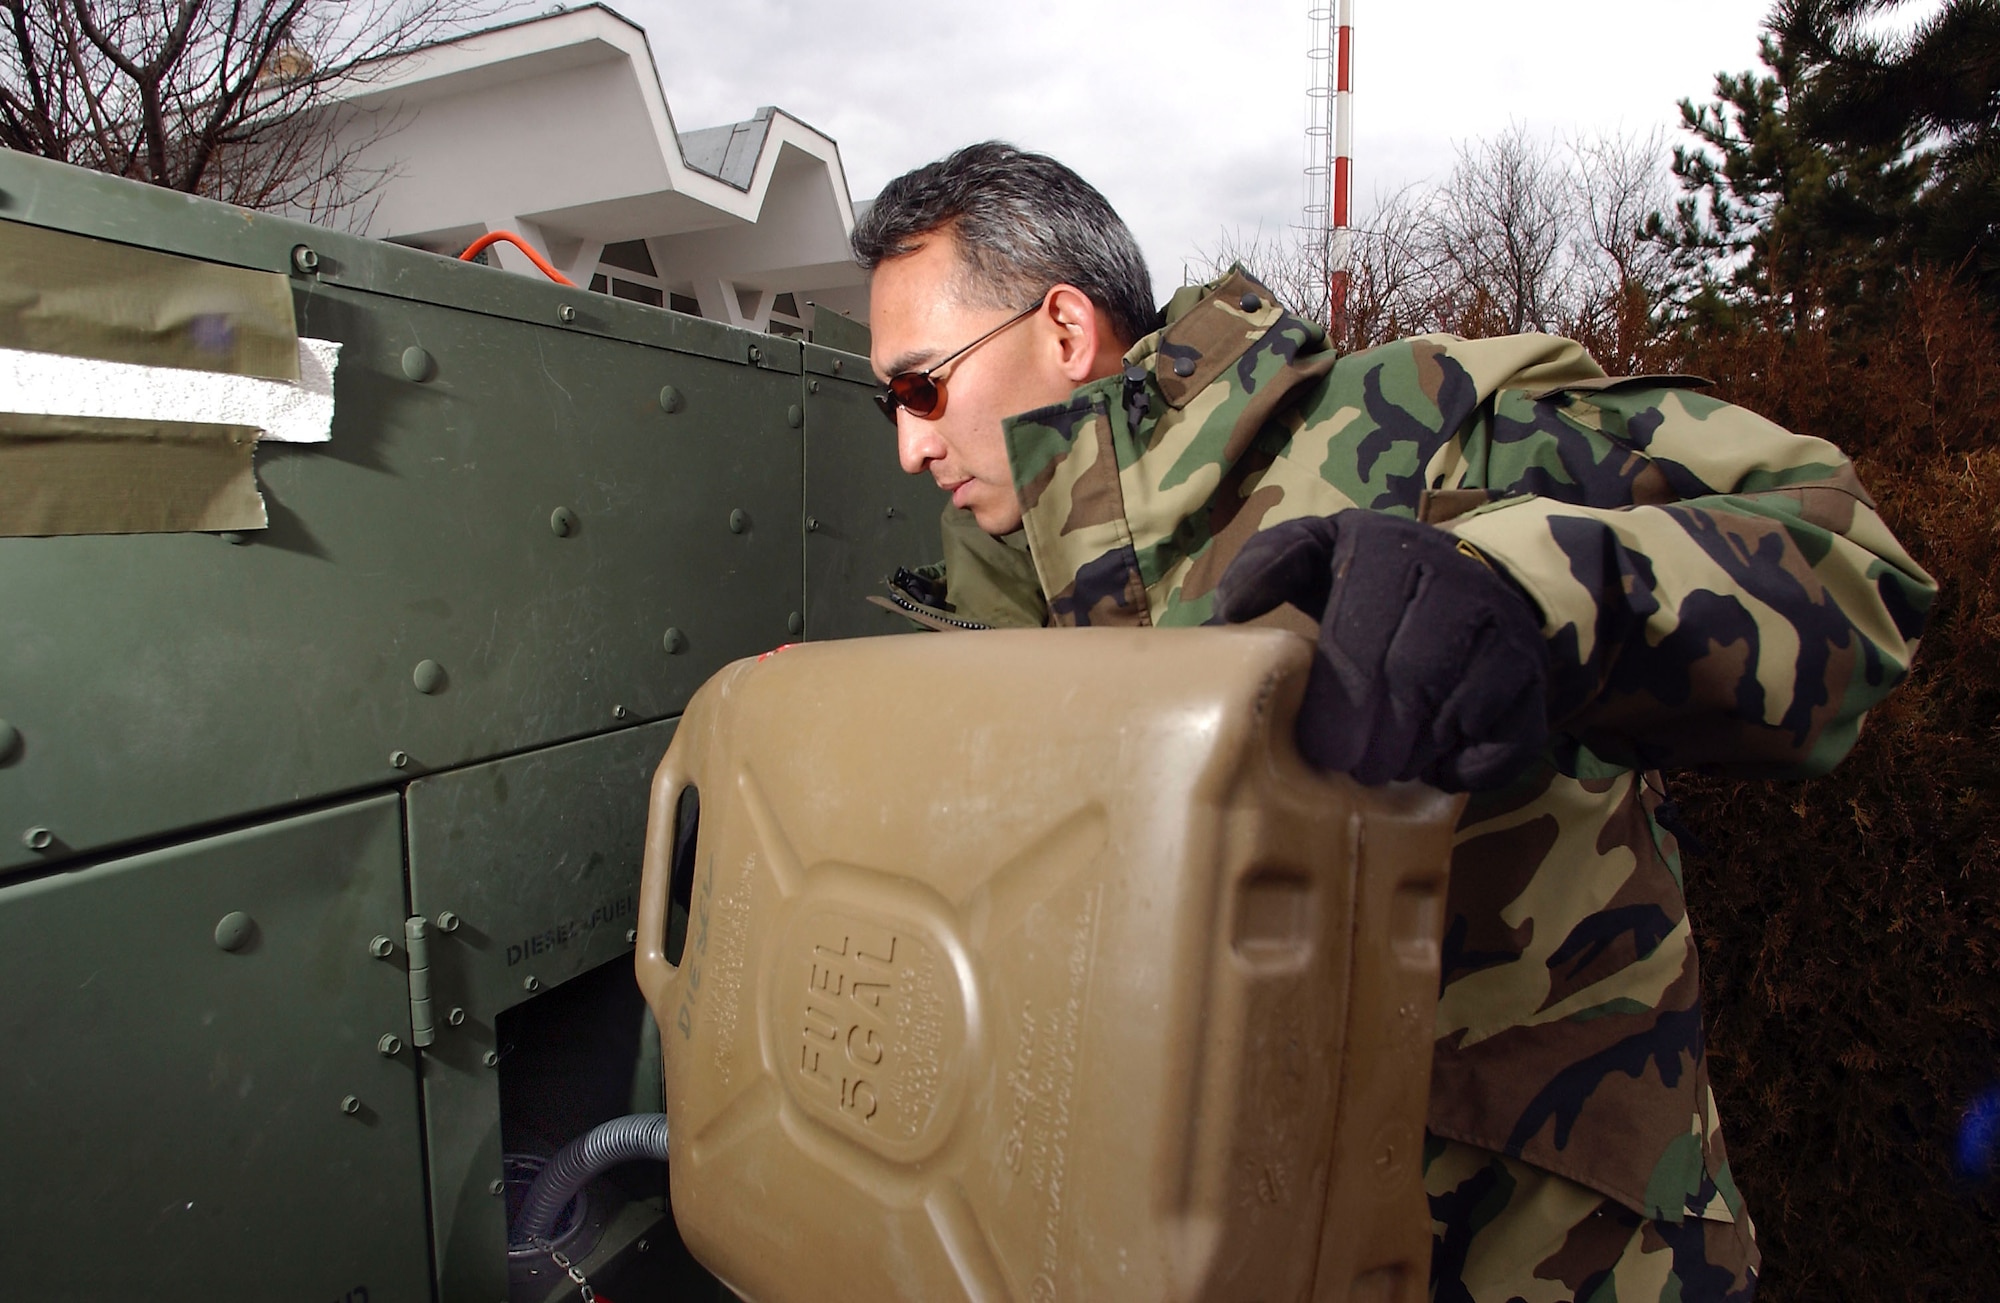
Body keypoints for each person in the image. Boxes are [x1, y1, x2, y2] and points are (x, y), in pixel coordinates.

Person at [853, 141, 1935, 1302]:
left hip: (1543, 1242)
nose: (909, 444)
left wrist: (1523, 591)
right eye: (888, 404)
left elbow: (1848, 559)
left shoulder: (1416, 423)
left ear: (1063, 329)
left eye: (921, 387)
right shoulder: (1002, 602)